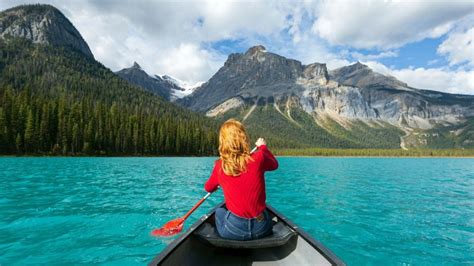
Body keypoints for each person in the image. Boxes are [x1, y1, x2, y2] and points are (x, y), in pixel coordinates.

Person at [204, 119, 278, 240]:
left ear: (223, 142)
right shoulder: (258, 158)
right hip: (262, 228)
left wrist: (218, 176)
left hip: (234, 230)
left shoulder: (220, 166)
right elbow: (274, 164)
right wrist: (263, 148)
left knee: (219, 212)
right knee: (264, 214)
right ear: (243, 138)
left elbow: (208, 188)